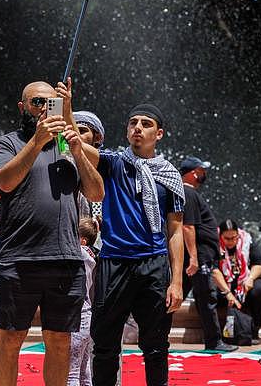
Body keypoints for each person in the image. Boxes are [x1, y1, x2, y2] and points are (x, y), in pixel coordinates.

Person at [0, 81, 103, 386]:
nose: (43, 108)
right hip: (19, 258)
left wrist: (77, 147)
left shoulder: (69, 146)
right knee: (11, 339)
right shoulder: (6, 143)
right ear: (22, 107)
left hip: (65, 258)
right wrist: (37, 142)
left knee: (59, 341)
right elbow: (6, 182)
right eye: (37, 102)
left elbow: (96, 193)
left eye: (50, 103)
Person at [73, 103, 185, 386]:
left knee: (156, 346)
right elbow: (76, 142)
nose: (138, 127)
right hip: (114, 262)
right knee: (105, 346)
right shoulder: (113, 163)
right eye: (133, 122)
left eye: (146, 124)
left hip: (154, 263)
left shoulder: (170, 176)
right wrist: (67, 106)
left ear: (159, 134)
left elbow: (175, 230)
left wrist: (177, 282)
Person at [179, 155, 233, 352]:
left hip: (199, 257)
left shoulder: (188, 193)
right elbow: (188, 227)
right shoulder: (189, 193)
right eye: (203, 170)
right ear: (194, 173)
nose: (205, 174)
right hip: (198, 259)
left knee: (178, 297)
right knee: (207, 299)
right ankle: (214, 341)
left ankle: (155, 336)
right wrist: (194, 257)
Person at [213, 219, 261, 342]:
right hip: (221, 286)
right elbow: (213, 270)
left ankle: (254, 330)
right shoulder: (213, 243)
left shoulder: (247, 241)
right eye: (227, 238)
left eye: (234, 238)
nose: (231, 242)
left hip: (243, 284)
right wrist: (227, 293)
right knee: (206, 291)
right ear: (220, 236)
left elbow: (258, 265)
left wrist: (250, 279)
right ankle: (213, 333)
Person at [68, 218, 99, 386]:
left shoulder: (78, 254)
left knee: (71, 373)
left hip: (77, 319)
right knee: (84, 369)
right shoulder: (90, 256)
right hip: (87, 318)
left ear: (82, 240)